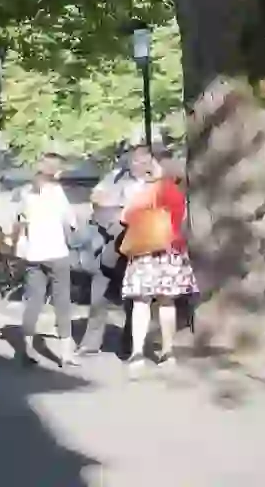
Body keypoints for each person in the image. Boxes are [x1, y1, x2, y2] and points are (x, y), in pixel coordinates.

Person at [119, 148, 197, 373]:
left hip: (145, 251)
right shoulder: (177, 192)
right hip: (171, 251)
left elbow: (125, 217)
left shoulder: (145, 190)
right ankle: (167, 350)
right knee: (166, 302)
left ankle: (137, 353)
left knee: (141, 302)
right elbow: (180, 220)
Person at [11, 154, 80, 367]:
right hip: (57, 253)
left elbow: (20, 222)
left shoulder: (25, 193)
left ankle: (27, 348)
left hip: (34, 255)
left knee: (34, 302)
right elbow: (71, 221)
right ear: (56, 171)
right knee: (62, 303)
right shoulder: (57, 192)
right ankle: (66, 353)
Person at [78, 146, 146, 356]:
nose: (136, 165)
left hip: (138, 243)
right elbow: (97, 196)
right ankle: (91, 343)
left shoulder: (154, 183)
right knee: (99, 293)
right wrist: (118, 207)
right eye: (133, 161)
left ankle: (130, 344)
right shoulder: (116, 177)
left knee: (134, 297)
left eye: (142, 162)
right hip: (111, 242)